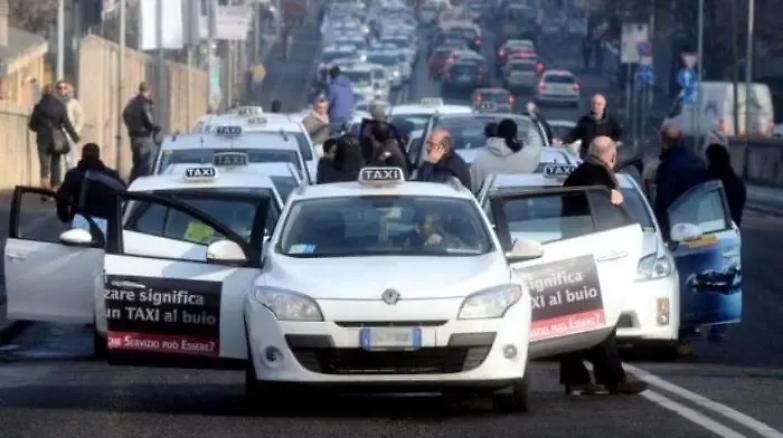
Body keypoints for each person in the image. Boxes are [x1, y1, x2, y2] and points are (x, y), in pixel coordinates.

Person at [559, 136, 647, 396]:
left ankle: (577, 376)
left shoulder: (576, 175)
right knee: (603, 317)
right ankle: (612, 378)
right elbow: (605, 217)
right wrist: (614, 199)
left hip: (574, 254)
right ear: (610, 155)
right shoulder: (599, 179)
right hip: (597, 257)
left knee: (579, 318)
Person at [704, 143, 746, 343]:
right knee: (729, 281)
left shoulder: (710, 182)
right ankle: (720, 325)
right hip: (732, 235)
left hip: (710, 235)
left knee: (705, 278)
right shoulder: (736, 183)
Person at [56, 143, 126, 234]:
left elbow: (62, 197)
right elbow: (124, 195)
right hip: (107, 220)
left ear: (82, 155)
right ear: (98, 155)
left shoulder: (73, 175)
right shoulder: (111, 175)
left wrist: (65, 217)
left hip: (81, 219)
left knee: (79, 245)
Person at [654, 123, 708, 235]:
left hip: (675, 226)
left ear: (664, 143)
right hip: (699, 223)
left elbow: (663, 201)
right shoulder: (698, 162)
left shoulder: (667, 167)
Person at [28, 84, 81, 191]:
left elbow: (32, 124)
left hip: (42, 137)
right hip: (56, 138)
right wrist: (76, 139)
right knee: (56, 161)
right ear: (55, 93)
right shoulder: (60, 106)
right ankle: (55, 185)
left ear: (44, 93)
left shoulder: (38, 106)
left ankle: (44, 182)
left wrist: (39, 128)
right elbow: (67, 124)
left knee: (44, 161)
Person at [469, 119, 541, 193]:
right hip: (522, 200)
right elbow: (536, 147)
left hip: (490, 202)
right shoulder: (528, 155)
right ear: (515, 134)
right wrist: (532, 130)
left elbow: (474, 185)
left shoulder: (481, 157)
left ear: (498, 133)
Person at [123, 82, 160, 182]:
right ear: (148, 91)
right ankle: (142, 187)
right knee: (145, 164)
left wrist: (130, 126)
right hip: (143, 137)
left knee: (137, 163)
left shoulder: (131, 102)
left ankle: (132, 184)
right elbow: (147, 119)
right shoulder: (144, 103)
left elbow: (125, 115)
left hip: (134, 137)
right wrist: (154, 128)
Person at [57, 81, 85, 170]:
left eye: (66, 89)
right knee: (60, 158)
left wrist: (75, 133)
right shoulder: (57, 102)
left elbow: (80, 120)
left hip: (71, 134)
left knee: (71, 159)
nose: (64, 91)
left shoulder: (74, 103)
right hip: (59, 134)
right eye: (62, 89)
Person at [326, 67, 356, 134]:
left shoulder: (333, 87)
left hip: (335, 119)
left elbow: (327, 104)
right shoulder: (349, 86)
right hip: (348, 117)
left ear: (331, 76)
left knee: (333, 137)